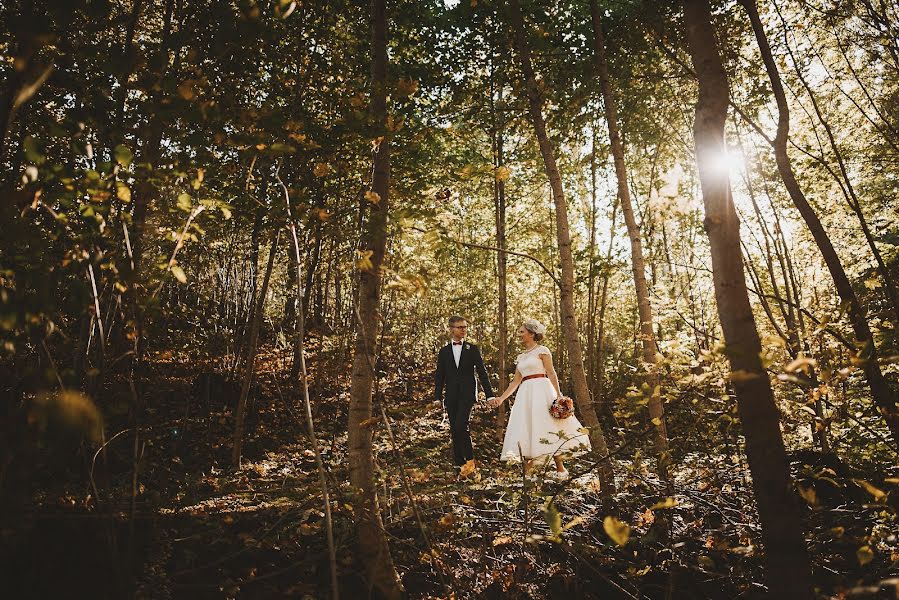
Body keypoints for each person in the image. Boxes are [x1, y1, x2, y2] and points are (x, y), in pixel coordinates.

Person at [488, 318, 590, 480]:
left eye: (522, 332)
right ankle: (528, 474)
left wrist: (559, 395)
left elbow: (551, 373)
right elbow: (516, 381)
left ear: (531, 333)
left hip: (542, 390)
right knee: (528, 427)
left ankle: (561, 470)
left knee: (549, 426)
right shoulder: (521, 357)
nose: (519, 334)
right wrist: (501, 398)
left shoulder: (542, 351)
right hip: (525, 394)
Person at [434, 315, 495, 474]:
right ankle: (459, 464)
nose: (464, 330)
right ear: (451, 329)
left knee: (462, 425)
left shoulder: (472, 349)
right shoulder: (444, 351)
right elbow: (440, 375)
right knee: (454, 429)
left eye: (465, 327)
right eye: (460, 327)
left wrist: (489, 395)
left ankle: (469, 462)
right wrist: (437, 397)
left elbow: (482, 373)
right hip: (451, 395)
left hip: (467, 394)